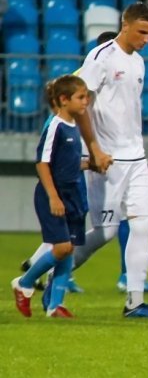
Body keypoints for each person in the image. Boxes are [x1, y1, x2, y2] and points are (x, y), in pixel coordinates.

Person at [69, 3, 148, 318]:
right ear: (124, 25)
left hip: (136, 156)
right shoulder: (100, 59)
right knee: (106, 232)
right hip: (107, 158)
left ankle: (135, 301)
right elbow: (81, 106)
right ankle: (49, 269)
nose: (146, 39)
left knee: (143, 224)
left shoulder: (138, 62)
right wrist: (94, 149)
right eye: (141, 32)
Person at [12, 76, 89, 319]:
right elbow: (43, 163)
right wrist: (53, 197)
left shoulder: (74, 126)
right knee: (62, 247)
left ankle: (55, 305)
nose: (86, 102)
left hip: (74, 194)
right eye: (81, 97)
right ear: (64, 100)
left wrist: (90, 165)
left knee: (70, 249)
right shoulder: (55, 125)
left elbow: (67, 164)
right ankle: (24, 282)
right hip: (54, 196)